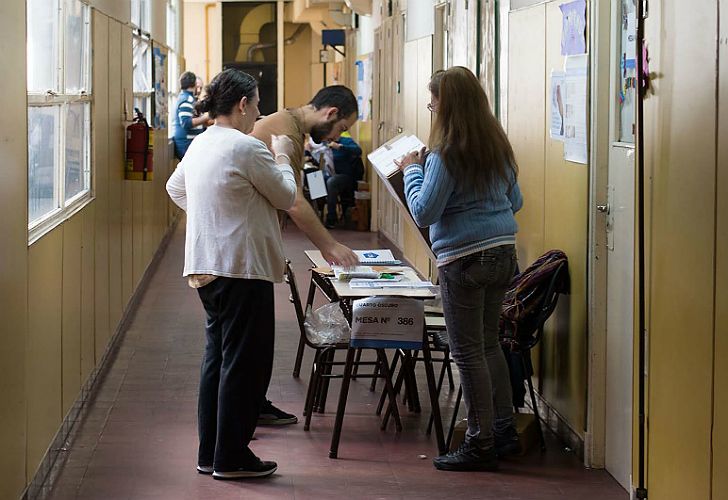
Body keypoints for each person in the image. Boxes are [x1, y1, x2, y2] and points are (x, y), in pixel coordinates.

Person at [166, 68, 297, 479]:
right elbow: (287, 195)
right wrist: (282, 154)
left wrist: (213, 214)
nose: (258, 113)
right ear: (242, 105)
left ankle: (211, 453)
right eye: (257, 105)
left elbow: (175, 188)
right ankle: (232, 458)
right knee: (243, 364)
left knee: (217, 359)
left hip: (207, 266)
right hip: (242, 268)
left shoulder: (201, 145)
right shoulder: (246, 148)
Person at [396, 67, 524, 472]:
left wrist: (411, 171)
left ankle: (478, 443)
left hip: (465, 261)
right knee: (489, 346)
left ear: (446, 104)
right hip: (503, 254)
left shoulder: (446, 153)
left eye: (433, 100)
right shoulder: (498, 146)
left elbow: (424, 209)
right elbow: (514, 201)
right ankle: (504, 431)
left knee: (466, 352)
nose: (430, 106)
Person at [250, 85, 361, 426]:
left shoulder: (291, 127)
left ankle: (254, 402)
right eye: (341, 128)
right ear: (330, 114)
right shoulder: (285, 129)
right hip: (248, 247)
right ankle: (246, 411)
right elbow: (294, 200)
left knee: (257, 338)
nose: (337, 137)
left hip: (256, 240)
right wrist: (329, 245)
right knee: (250, 339)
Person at [325, 131, 363, 228]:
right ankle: (317, 213)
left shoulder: (345, 140)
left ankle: (331, 218)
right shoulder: (323, 144)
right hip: (328, 172)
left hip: (345, 175)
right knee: (314, 179)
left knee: (331, 182)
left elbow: (358, 150)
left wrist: (340, 147)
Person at [172, 71, 210, 159]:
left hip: (188, 144)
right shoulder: (187, 100)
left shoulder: (186, 98)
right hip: (186, 145)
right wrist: (207, 116)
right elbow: (186, 123)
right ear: (195, 84)